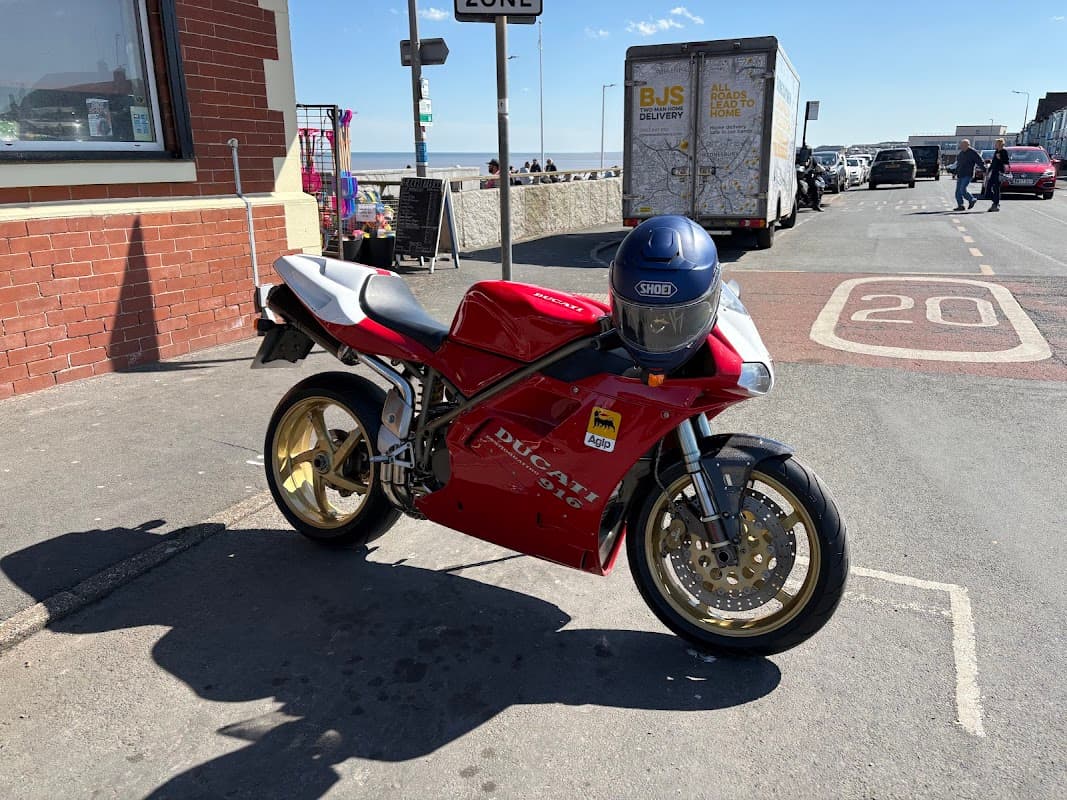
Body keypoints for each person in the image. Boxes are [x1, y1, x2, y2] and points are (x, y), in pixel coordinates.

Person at [953, 139, 983, 210]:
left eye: (963, 145)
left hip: (968, 174)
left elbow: (980, 161)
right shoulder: (961, 154)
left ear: (967, 145)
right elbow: (958, 164)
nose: (961, 147)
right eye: (961, 145)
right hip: (960, 174)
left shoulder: (973, 153)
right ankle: (960, 205)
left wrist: (984, 170)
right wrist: (955, 172)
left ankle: (972, 199)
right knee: (957, 192)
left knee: (962, 189)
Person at [987, 138, 1010, 212]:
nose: (995, 145)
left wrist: (1000, 158)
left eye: (996, 143)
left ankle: (995, 204)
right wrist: (988, 171)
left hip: (999, 172)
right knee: (989, 187)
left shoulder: (1004, 151)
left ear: (1000, 144)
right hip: (994, 172)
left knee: (996, 188)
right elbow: (993, 162)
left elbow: (1006, 162)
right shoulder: (996, 151)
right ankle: (995, 201)